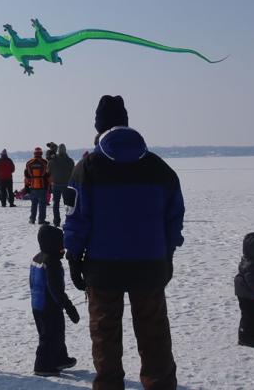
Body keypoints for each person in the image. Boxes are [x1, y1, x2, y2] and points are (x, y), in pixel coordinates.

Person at [64, 95, 183, 390]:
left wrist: (73, 257)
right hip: (150, 266)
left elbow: (76, 217)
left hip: (103, 268)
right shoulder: (159, 167)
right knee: (154, 333)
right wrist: (166, 253)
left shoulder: (87, 167)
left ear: (98, 126)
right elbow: (174, 216)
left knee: (105, 335)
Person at [30, 224, 80, 377]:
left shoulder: (38, 257)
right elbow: (55, 289)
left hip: (38, 304)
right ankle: (43, 365)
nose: (63, 248)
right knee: (49, 335)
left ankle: (59, 358)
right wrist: (69, 306)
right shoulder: (52, 263)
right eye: (60, 244)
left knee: (57, 333)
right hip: (48, 305)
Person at [49, 144, 75, 227]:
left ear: (58, 150)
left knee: (55, 204)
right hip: (66, 185)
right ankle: (68, 220)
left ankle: (56, 221)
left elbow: (48, 171)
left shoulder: (52, 161)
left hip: (56, 184)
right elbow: (73, 173)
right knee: (67, 205)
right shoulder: (70, 161)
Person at [24, 146, 51, 225]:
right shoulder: (45, 162)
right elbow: (48, 175)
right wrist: (49, 186)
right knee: (42, 205)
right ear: (41, 153)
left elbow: (26, 176)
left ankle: (32, 219)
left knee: (34, 204)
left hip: (33, 186)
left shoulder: (29, 163)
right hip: (43, 187)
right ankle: (41, 220)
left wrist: (26, 186)